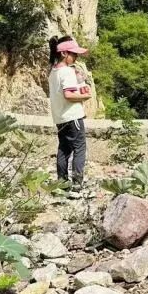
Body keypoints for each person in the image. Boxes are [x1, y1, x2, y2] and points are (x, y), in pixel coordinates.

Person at [48, 36, 92, 186]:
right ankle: (77, 184)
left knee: (64, 149)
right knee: (79, 148)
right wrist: (86, 96)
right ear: (64, 53)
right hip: (73, 117)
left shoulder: (53, 71)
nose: (76, 57)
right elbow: (69, 95)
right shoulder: (67, 72)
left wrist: (79, 80)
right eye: (74, 54)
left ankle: (61, 183)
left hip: (60, 118)